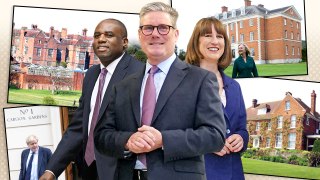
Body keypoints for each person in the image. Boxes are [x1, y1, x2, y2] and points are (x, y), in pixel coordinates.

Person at [94, 2, 226, 180]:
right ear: (140, 35)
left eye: (163, 28)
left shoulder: (200, 80)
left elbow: (215, 136)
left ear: (176, 34)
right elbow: (102, 136)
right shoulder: (122, 86)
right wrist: (127, 141)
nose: (155, 34)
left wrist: (164, 140)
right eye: (148, 28)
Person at [39, 19, 144, 180]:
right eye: (97, 35)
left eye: (109, 35)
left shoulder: (141, 73)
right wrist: (51, 170)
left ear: (124, 42)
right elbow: (78, 128)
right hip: (88, 169)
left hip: (122, 170)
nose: (101, 39)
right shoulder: (91, 75)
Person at [185, 17, 249, 180]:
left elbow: (242, 127)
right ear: (196, 41)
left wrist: (241, 138)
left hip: (234, 172)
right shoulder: (181, 83)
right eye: (207, 35)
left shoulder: (234, 86)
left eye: (219, 37)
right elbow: (171, 131)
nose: (215, 41)